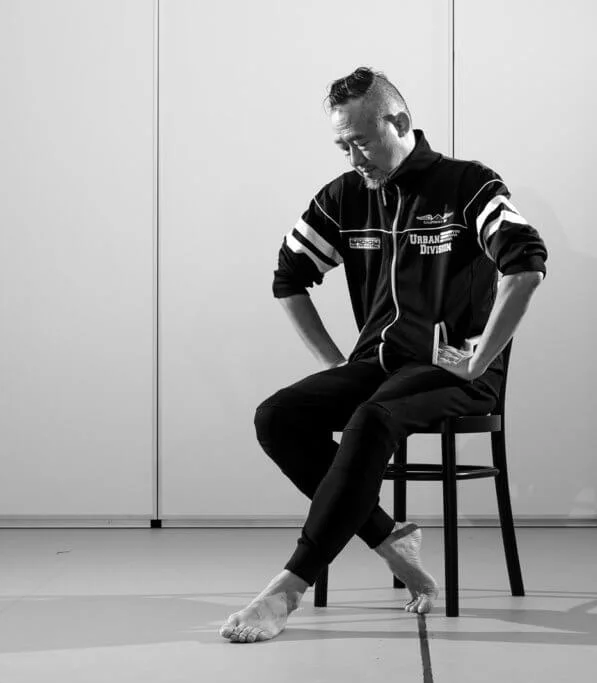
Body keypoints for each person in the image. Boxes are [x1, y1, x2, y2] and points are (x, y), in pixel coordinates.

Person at [220, 67, 548, 643]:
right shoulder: (345, 197)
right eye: (342, 146)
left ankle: (287, 589)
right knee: (277, 417)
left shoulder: (467, 184)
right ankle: (388, 537)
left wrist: (478, 361)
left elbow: (526, 266)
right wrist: (335, 365)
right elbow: (288, 278)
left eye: (363, 142)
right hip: (377, 364)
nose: (354, 158)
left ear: (400, 122)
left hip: (451, 370)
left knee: (373, 417)